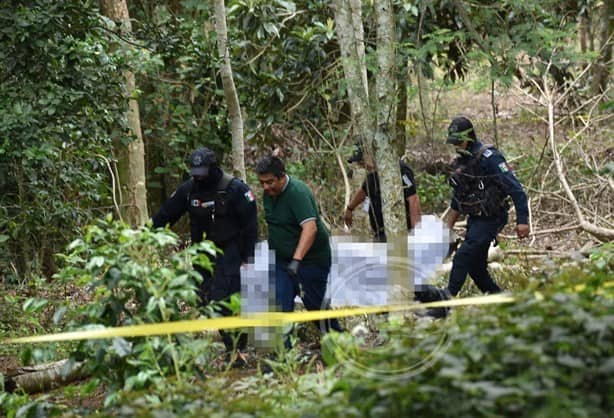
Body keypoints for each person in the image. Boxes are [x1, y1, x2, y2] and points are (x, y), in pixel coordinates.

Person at [152, 147, 258, 355]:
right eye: (195, 173)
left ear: (213, 168)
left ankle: (237, 348)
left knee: (226, 299)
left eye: (203, 173)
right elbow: (166, 215)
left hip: (231, 251)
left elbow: (251, 225)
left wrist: (248, 257)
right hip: (203, 253)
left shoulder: (235, 189)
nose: (199, 178)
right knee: (204, 298)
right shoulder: (189, 190)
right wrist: (145, 235)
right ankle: (228, 339)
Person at [255, 155, 343, 347]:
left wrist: (297, 260)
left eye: (270, 182)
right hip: (281, 260)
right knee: (280, 305)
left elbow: (310, 228)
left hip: (310, 260)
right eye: (262, 183)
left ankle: (340, 343)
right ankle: (283, 356)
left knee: (315, 305)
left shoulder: (297, 192)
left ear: (282, 176)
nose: (266, 187)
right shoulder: (268, 194)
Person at [445, 116, 529, 297]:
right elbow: (457, 199)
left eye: (458, 142)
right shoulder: (463, 162)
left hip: (493, 217)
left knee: (462, 256)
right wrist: (446, 228)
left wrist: (523, 221)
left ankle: (445, 302)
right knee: (475, 267)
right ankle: (500, 299)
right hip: (476, 219)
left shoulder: (490, 158)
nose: (456, 146)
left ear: (468, 138)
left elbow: (516, 189)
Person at [344, 143, 422, 241]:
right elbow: (363, 191)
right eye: (360, 163)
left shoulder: (398, 170)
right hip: (379, 234)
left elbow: (413, 200)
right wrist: (350, 208)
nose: (362, 165)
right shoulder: (372, 175)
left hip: (399, 231)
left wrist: (416, 232)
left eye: (362, 161)